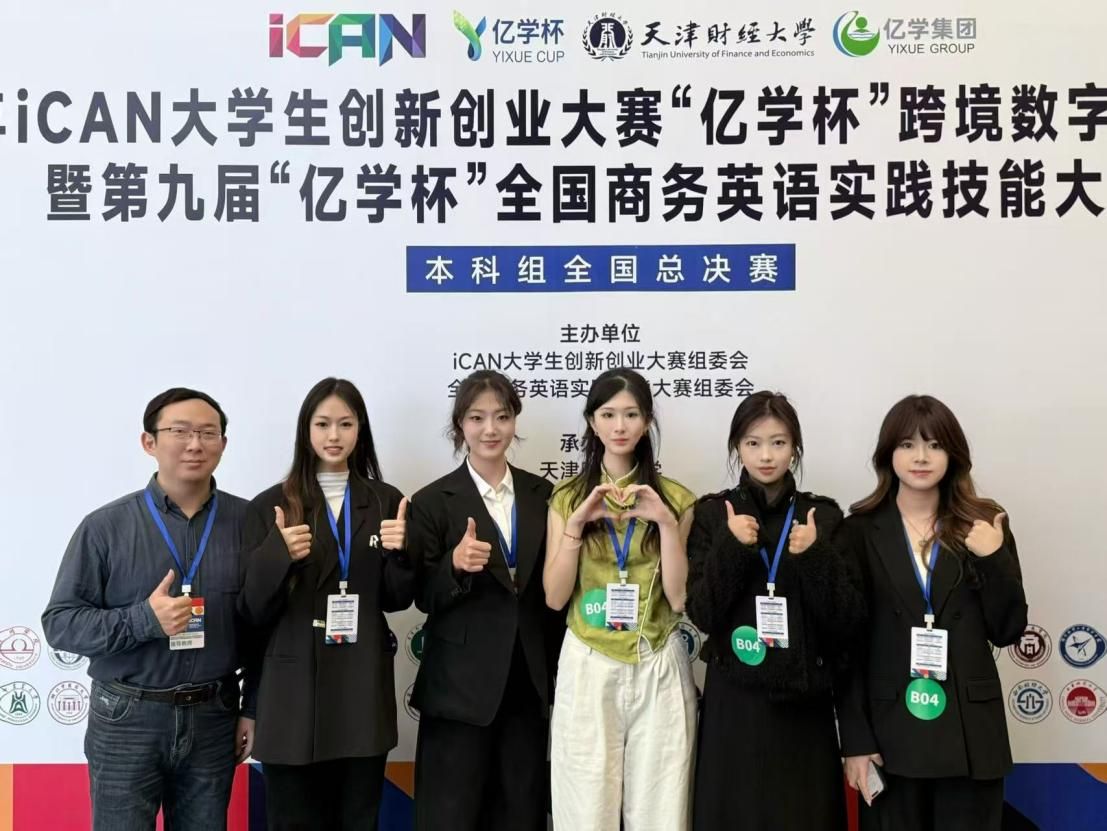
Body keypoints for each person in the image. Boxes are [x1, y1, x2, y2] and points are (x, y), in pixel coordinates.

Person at [42, 387, 253, 831]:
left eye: (207, 433)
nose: (195, 444)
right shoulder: (105, 527)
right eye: (180, 431)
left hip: (214, 716)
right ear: (149, 442)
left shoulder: (249, 523)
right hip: (127, 717)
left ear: (223, 444)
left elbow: (266, 626)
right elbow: (60, 623)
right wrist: (143, 620)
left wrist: (251, 707)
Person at [840, 395, 1028, 831]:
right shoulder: (858, 530)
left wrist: (993, 559)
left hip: (970, 734)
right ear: (888, 454)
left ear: (953, 454)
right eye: (907, 444)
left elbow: (1008, 629)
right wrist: (856, 740)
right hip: (890, 734)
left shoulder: (985, 523)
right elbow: (847, 645)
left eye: (935, 445)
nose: (921, 457)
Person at [239, 378, 413, 831]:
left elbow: (397, 599)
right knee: (292, 819)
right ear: (306, 430)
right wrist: (278, 556)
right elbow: (252, 611)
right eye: (322, 424)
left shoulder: (385, 500)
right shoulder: (271, 505)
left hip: (361, 690)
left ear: (360, 430)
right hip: (290, 694)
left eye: (345, 424)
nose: (334, 435)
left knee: (358, 818)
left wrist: (400, 554)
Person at [684, 391, 863, 830]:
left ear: (795, 448)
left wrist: (815, 555)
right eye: (753, 443)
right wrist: (731, 547)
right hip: (735, 701)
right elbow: (703, 613)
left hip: (804, 703)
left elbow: (847, 620)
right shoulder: (713, 513)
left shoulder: (822, 516)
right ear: (737, 447)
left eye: (778, 443)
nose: (766, 456)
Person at [544, 368, 698, 831]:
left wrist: (665, 523)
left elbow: (678, 597)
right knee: (584, 809)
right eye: (608, 414)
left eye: (631, 414)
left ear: (647, 421)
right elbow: (554, 598)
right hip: (588, 660)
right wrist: (576, 526)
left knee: (661, 810)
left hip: (658, 658)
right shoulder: (567, 497)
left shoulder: (676, 499)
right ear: (592, 422)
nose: (620, 426)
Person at [408, 370, 559, 831]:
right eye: (477, 418)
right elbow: (421, 595)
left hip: (527, 683)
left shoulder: (543, 495)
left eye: (502, 416)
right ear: (460, 425)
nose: (490, 429)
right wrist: (454, 565)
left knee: (521, 811)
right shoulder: (433, 501)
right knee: (451, 814)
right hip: (458, 689)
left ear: (515, 422)